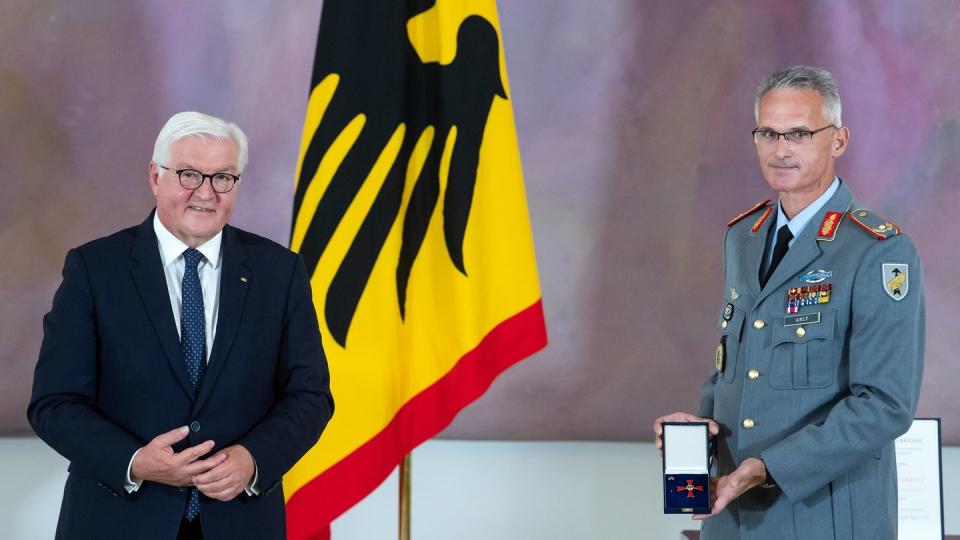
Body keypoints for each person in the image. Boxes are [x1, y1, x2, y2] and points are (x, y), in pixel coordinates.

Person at [28, 111, 334, 539]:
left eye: (223, 177)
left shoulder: (279, 271)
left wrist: (253, 460)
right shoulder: (95, 269)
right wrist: (134, 461)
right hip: (117, 520)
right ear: (156, 176)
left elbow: (310, 396)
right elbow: (54, 403)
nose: (205, 193)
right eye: (189, 175)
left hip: (240, 521)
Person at [653, 66, 924, 539]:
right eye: (768, 133)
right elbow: (735, 369)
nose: (781, 149)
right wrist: (699, 434)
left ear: (838, 140)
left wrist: (768, 467)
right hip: (734, 516)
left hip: (826, 517)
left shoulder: (878, 249)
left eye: (799, 133)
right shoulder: (743, 237)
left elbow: (885, 404)